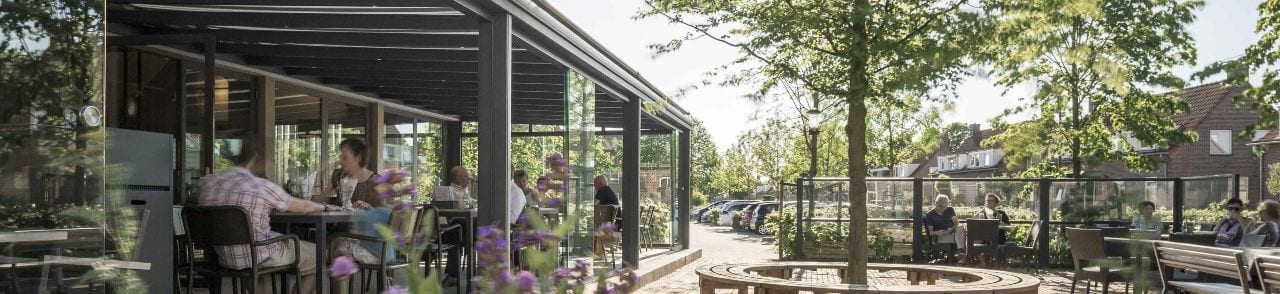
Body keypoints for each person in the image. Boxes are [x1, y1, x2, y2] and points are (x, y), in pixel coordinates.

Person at [199, 135, 334, 294]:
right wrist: (325, 206)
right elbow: (303, 207)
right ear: (256, 157)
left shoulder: (208, 183)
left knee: (254, 245)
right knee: (321, 255)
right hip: (258, 253)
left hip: (222, 255)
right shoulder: (261, 186)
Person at [923, 195, 966, 264]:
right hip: (941, 236)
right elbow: (931, 232)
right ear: (936, 203)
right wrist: (939, 232)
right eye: (940, 206)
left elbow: (956, 223)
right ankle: (962, 257)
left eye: (945, 207)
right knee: (964, 237)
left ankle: (960, 251)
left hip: (952, 232)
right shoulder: (930, 215)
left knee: (960, 227)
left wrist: (951, 229)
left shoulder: (950, 209)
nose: (943, 209)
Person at [971, 194, 1011, 267]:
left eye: (990, 201)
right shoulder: (983, 213)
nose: (988, 202)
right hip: (985, 237)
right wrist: (982, 210)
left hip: (998, 237)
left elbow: (1009, 227)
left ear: (996, 202)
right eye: (987, 201)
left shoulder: (1001, 213)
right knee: (972, 241)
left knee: (978, 241)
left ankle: (985, 262)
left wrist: (1000, 221)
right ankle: (982, 262)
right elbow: (973, 219)